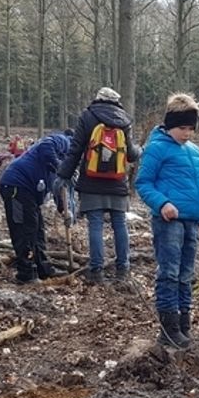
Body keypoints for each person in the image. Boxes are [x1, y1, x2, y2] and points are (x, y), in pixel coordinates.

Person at [135, 94, 199, 348]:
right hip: (168, 220)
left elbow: (197, 187)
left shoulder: (195, 151)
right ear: (169, 125)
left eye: (191, 128)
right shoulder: (157, 147)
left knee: (186, 273)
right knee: (169, 272)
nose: (187, 133)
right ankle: (168, 328)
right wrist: (162, 203)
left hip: (191, 221)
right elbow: (143, 183)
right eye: (182, 128)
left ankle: (184, 323)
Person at [56, 87, 141, 285]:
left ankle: (96, 271)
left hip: (92, 181)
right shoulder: (125, 120)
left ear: (98, 99)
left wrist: (63, 175)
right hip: (117, 182)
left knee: (95, 225)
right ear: (117, 102)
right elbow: (131, 154)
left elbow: (75, 149)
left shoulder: (87, 116)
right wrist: (140, 150)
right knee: (120, 224)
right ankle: (123, 269)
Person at [0, 132, 71, 283]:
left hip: (30, 193)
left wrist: (63, 209)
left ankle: (43, 269)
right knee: (24, 230)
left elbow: (59, 187)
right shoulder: (64, 141)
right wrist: (60, 166)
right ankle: (26, 273)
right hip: (16, 187)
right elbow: (46, 145)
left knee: (38, 230)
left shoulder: (66, 161)